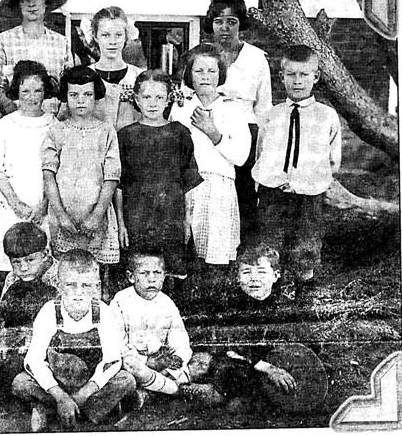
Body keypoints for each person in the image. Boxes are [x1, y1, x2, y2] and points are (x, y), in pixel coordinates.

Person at [175, 244, 328, 414]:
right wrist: (269, 369)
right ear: (237, 278)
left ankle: (235, 397)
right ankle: (212, 392)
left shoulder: (284, 306)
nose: (254, 279)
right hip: (245, 361)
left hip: (275, 362)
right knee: (229, 369)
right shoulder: (232, 306)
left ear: (275, 275)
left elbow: (303, 341)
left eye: (261, 272)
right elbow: (234, 348)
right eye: (246, 272)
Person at [11, 249, 136, 432]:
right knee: (20, 383)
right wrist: (60, 396)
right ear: (59, 285)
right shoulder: (49, 312)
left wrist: (82, 394)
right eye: (71, 285)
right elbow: (34, 360)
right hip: (57, 383)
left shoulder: (103, 312)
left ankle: (52, 410)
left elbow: (112, 360)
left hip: (89, 384)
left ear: (97, 286)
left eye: (86, 285)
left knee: (127, 380)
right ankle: (87, 411)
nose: (79, 293)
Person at [252, 44, 341, 300]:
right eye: (291, 74)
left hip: (309, 194)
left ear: (316, 76)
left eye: (304, 75)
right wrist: (272, 180)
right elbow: (262, 154)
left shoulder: (327, 116)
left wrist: (309, 181)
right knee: (270, 245)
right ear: (282, 76)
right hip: (273, 194)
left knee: (306, 246)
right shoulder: (271, 116)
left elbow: (333, 159)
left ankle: (304, 299)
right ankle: (272, 298)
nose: (297, 81)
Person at [117, 70, 201, 287]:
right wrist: (121, 223)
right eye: (146, 97)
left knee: (171, 272)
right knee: (140, 272)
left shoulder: (179, 133)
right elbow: (119, 184)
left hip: (171, 217)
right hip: (137, 217)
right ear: (136, 99)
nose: (153, 103)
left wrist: (187, 220)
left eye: (159, 97)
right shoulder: (126, 135)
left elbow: (188, 180)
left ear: (168, 99)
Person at [169, 44, 250, 269]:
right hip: (186, 186)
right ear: (189, 75)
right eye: (199, 71)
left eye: (211, 71)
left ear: (220, 74)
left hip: (218, 186)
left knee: (215, 252)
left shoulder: (232, 109)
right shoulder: (181, 107)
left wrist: (213, 133)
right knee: (185, 248)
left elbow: (241, 156)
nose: (205, 77)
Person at [204, 0, 273, 242]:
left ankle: (244, 252)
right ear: (210, 24)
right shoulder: (201, 56)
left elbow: (264, 107)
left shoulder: (256, 58)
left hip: (246, 132)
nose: (225, 28)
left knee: (243, 193)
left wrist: (262, 148)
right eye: (219, 21)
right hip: (208, 130)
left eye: (231, 21)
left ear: (240, 24)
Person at [0, 61, 58, 284]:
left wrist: (44, 205)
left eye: (38, 90)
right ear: (16, 90)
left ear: (46, 91)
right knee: (13, 267)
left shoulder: (54, 125)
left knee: (40, 267)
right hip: (12, 206)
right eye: (25, 91)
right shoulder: (5, 125)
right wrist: (16, 203)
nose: (32, 97)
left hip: (42, 209)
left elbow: (56, 170)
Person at [42, 66, 121, 270]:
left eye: (87, 94)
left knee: (95, 271)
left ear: (96, 97)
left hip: (96, 216)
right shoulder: (56, 131)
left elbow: (111, 178)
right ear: (65, 97)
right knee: (65, 270)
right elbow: (49, 177)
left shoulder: (106, 131)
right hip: (64, 216)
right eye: (74, 94)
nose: (80, 100)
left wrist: (97, 215)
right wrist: (61, 216)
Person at [109, 250, 192, 405]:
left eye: (157, 273)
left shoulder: (167, 303)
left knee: (199, 362)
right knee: (129, 366)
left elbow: (180, 339)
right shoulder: (120, 301)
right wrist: (146, 361)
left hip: (162, 363)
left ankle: (149, 392)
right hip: (137, 362)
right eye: (144, 273)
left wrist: (176, 359)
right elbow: (117, 343)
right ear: (131, 277)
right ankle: (175, 390)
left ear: (164, 276)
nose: (152, 279)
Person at [0, 0, 72, 116]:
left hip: (53, 117)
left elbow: (70, 84)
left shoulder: (61, 42)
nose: (31, 4)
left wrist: (60, 115)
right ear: (19, 5)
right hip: (16, 117)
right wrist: (13, 112)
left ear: (46, 2)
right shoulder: (4, 40)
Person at [0, 222, 59, 382]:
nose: (23, 268)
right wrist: (4, 342)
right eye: (16, 262)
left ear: (45, 254)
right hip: (21, 342)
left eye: (30, 260)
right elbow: (4, 316)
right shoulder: (12, 278)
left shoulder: (59, 277)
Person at [89, 6, 142, 131]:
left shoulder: (139, 76)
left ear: (126, 36)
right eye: (105, 35)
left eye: (118, 35)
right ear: (95, 36)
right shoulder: (84, 76)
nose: (112, 42)